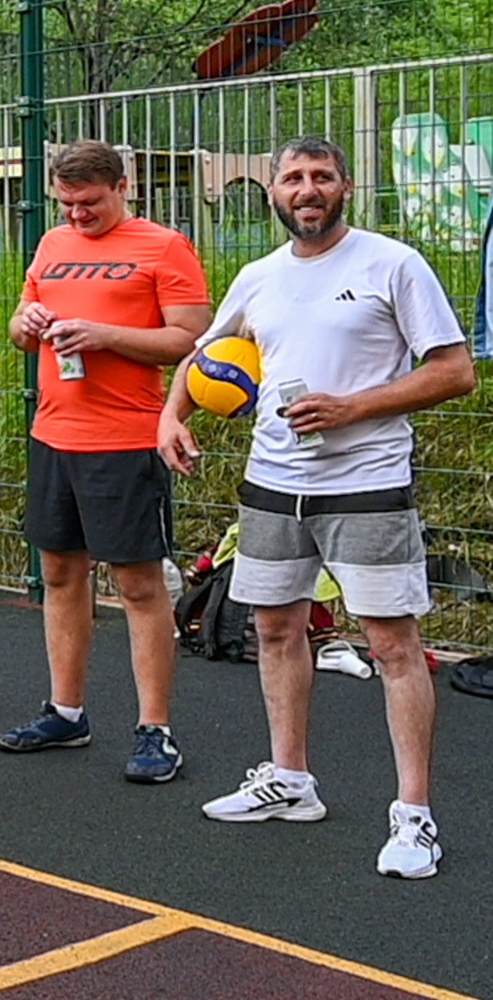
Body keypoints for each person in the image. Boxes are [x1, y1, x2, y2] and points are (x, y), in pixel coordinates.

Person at [159, 138, 474, 879]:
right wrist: (172, 416)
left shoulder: (391, 264)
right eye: (293, 177)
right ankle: (290, 780)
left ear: (346, 187)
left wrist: (352, 408)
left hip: (365, 482)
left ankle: (415, 817)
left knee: (393, 647)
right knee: (274, 630)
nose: (307, 189)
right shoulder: (259, 277)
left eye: (321, 177)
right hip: (272, 482)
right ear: (273, 190)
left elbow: (455, 372)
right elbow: (206, 353)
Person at [0, 139, 210, 782]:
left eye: (88, 203)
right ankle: (66, 711)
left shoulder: (164, 246)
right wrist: (28, 322)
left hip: (125, 439)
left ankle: (156, 730)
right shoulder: (54, 245)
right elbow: (16, 328)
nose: (76, 216)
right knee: (61, 576)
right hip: (54, 433)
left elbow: (190, 340)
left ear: (122, 187)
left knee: (139, 585)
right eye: (66, 205)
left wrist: (105, 335)